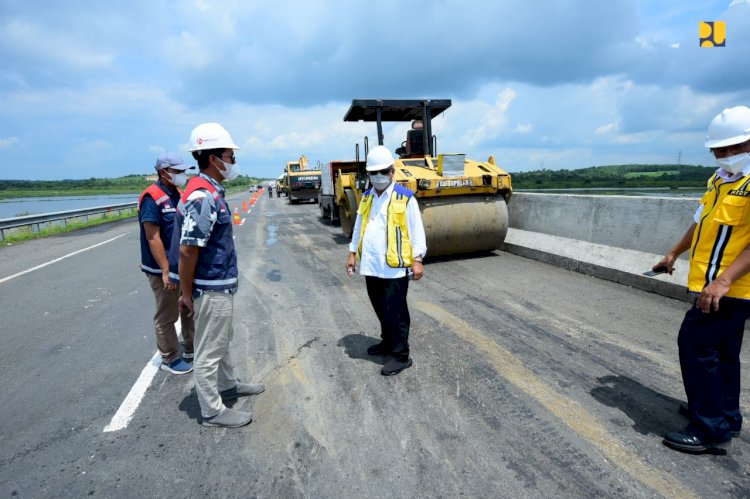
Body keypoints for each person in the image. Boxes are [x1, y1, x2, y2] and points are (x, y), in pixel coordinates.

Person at [656, 106, 750, 454]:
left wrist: (723, 282)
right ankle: (725, 414)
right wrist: (673, 253)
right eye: (718, 149)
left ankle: (709, 427)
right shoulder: (720, 179)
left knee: (695, 346)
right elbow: (701, 222)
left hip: (733, 288)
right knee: (723, 351)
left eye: (732, 148)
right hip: (713, 285)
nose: (724, 155)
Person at [172, 122, 264, 428]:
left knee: (222, 340)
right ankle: (212, 410)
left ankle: (227, 386)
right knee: (209, 349)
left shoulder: (210, 189)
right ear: (214, 159)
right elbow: (187, 250)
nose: (233, 162)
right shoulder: (202, 196)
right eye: (230, 156)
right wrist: (186, 295)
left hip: (219, 284)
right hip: (210, 287)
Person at [346, 145, 427, 376]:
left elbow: (416, 230)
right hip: (371, 265)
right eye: (373, 173)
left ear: (392, 171)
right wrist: (352, 254)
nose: (378, 177)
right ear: (368, 174)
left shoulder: (405, 197)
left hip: (394, 268)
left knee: (397, 311)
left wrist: (417, 259)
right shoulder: (367, 197)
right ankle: (387, 342)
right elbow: (359, 226)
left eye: (383, 171)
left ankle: (401, 355)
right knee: (380, 307)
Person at [138, 152, 196, 374]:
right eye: (178, 171)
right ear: (163, 172)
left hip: (180, 265)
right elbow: (153, 237)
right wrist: (165, 271)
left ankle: (191, 347)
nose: (183, 175)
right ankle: (169, 357)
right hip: (164, 269)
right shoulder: (152, 197)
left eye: (183, 171)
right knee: (167, 314)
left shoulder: (176, 193)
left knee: (188, 307)